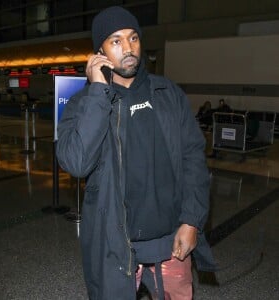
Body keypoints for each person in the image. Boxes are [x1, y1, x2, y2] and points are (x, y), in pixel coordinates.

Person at [56, 6, 215, 300]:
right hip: (114, 245)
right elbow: (76, 162)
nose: (128, 48)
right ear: (99, 51)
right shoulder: (84, 104)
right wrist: (99, 94)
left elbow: (193, 159)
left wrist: (192, 220)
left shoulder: (167, 94)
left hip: (171, 243)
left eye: (133, 38)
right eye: (115, 41)